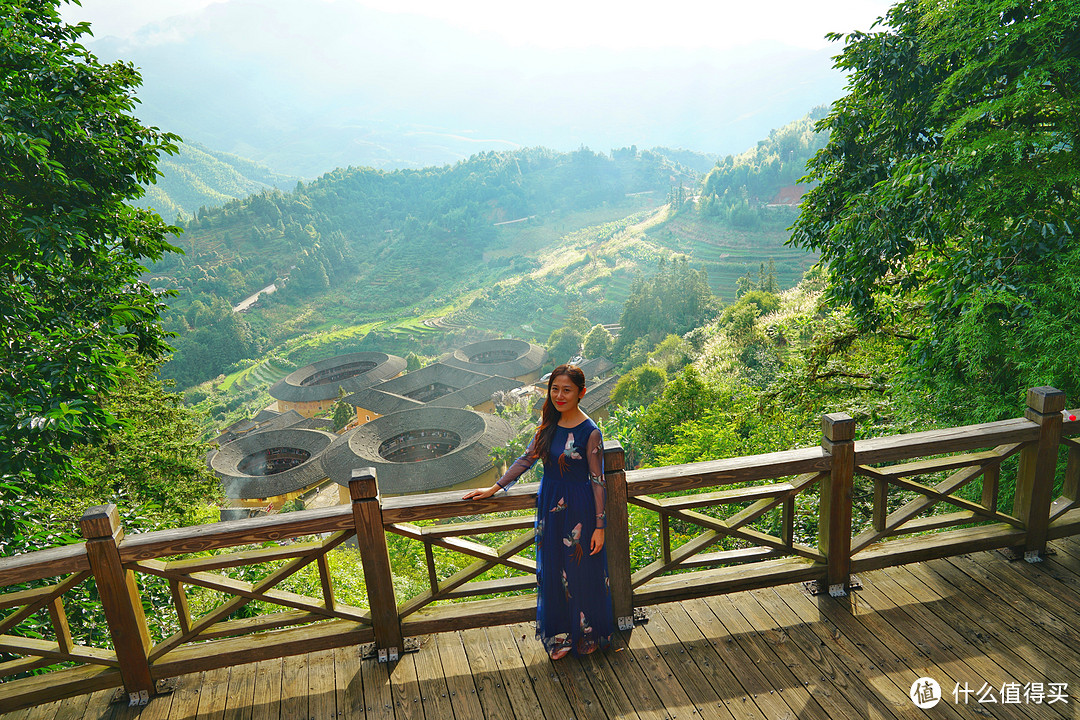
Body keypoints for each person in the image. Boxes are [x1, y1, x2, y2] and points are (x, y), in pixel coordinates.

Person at [464, 364, 613, 660]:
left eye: (567, 390)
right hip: (551, 505)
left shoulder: (590, 432)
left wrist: (600, 525)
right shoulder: (549, 423)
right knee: (554, 571)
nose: (559, 395)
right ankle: (565, 634)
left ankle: (586, 631)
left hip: (580, 507)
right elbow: (527, 458)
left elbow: (598, 480)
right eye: (555, 389)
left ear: (581, 393)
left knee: (580, 571)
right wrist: (494, 489)